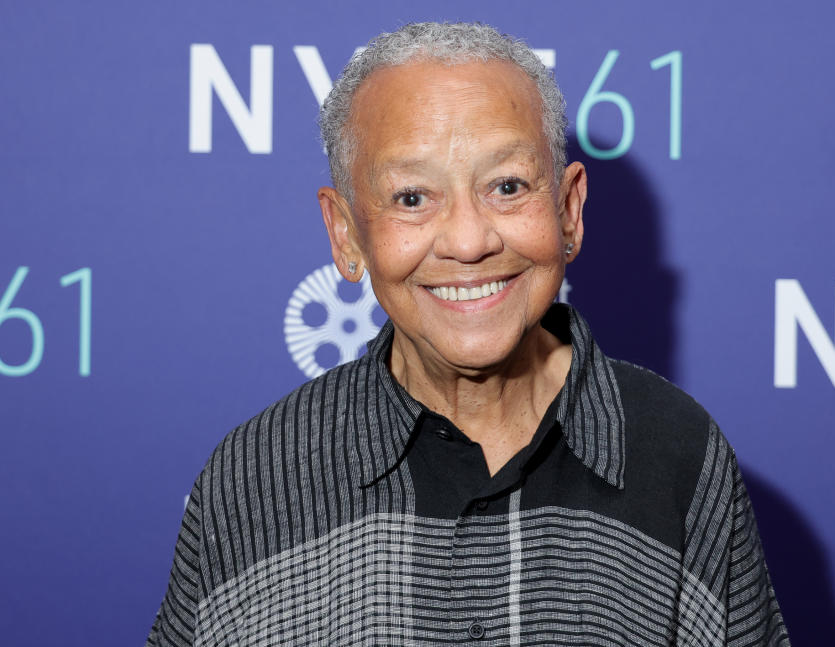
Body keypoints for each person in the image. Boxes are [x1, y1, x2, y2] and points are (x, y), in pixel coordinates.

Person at [147, 22, 790, 646]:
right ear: (346, 235)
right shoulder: (255, 478)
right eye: (411, 198)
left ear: (568, 210)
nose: (468, 241)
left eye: (506, 187)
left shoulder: (679, 454)